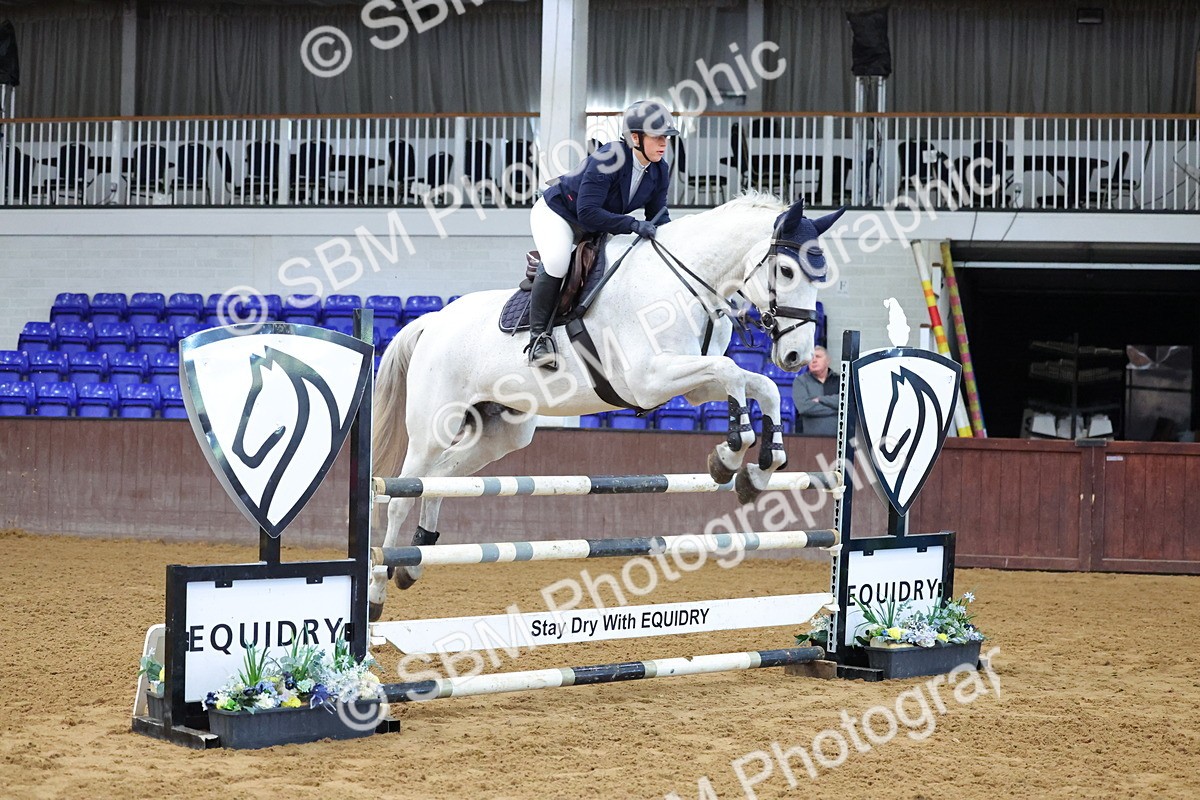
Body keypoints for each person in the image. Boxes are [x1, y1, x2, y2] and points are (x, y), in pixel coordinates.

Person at [525, 99, 679, 368]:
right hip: (559, 215)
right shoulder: (609, 158)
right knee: (559, 262)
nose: (664, 143)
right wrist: (632, 225)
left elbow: (658, 216)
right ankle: (538, 339)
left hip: (596, 225)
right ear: (635, 138)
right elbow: (588, 212)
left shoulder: (659, 169)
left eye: (665, 137)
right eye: (657, 137)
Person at [793, 345, 840, 436]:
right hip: (809, 440)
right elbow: (804, 407)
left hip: (838, 440)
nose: (814, 360)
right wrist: (837, 410)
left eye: (818, 357)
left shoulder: (840, 380)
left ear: (827, 361)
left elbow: (847, 404)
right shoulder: (800, 381)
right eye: (811, 357)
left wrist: (820, 399)